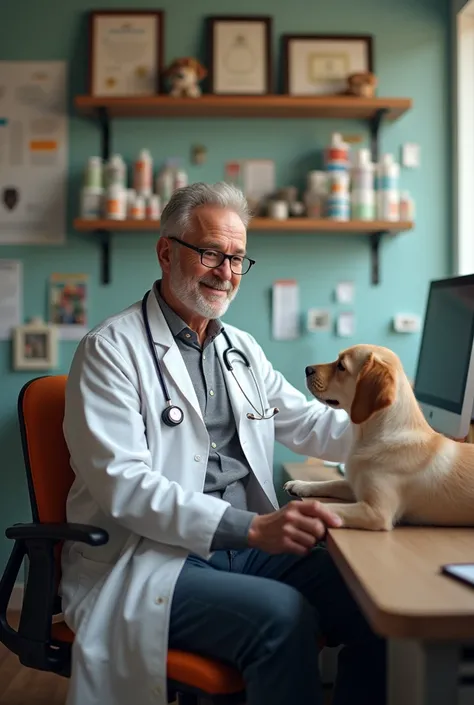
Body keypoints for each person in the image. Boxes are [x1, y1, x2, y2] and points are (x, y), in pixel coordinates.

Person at [60, 182, 386, 705]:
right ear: (167, 252)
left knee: (377, 596)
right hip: (157, 557)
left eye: (237, 258)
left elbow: (310, 425)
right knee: (282, 618)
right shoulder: (110, 351)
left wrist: (417, 445)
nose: (227, 272)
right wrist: (254, 527)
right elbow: (125, 487)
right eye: (211, 253)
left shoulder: (241, 349)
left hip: (244, 549)